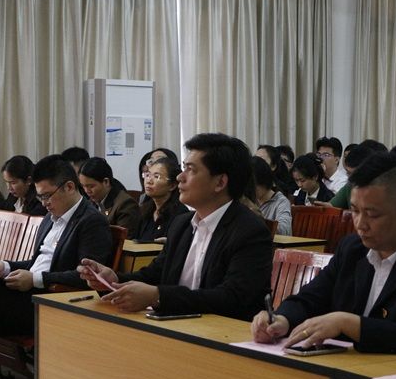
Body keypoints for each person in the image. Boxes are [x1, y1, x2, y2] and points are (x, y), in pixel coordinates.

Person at [251, 152, 396, 353]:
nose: (360, 224)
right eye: (355, 211)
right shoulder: (352, 248)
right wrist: (282, 319)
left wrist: (349, 324)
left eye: (372, 214)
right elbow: (310, 298)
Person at [78, 133, 273, 321]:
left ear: (220, 182)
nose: (180, 177)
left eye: (191, 170)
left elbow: (232, 298)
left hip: (221, 333)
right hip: (177, 325)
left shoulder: (249, 230)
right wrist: (114, 280)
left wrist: (158, 296)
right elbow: (154, 274)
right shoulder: (182, 224)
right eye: (183, 168)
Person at [0, 155, 111, 337]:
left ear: (69, 187)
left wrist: (35, 279)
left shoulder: (92, 221)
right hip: (29, 295)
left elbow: (87, 276)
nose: (43, 203)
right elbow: (38, 263)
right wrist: (7, 266)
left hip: (50, 302)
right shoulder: (50, 217)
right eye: (40, 197)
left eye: (47, 196)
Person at [79, 157, 141, 238]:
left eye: (91, 186)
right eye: (83, 186)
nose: (87, 191)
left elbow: (122, 241)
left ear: (106, 182)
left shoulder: (125, 204)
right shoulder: (89, 203)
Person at [136, 155, 189, 242]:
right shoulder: (145, 210)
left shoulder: (180, 215)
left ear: (172, 185)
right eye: (148, 175)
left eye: (156, 176)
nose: (149, 181)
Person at [251, 156, 292, 235]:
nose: (250, 190)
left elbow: (285, 230)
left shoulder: (281, 202)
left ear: (264, 181)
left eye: (253, 186)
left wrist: (259, 219)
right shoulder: (249, 200)